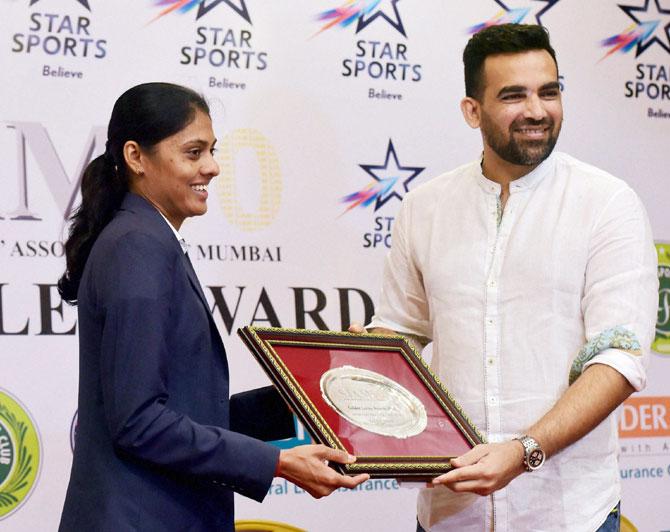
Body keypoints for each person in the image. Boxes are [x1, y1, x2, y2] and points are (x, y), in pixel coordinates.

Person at [356, 24, 658, 531]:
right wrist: (347, 373)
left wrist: (524, 452)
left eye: (550, 91)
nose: (537, 111)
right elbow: (399, 334)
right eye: (514, 96)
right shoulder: (424, 208)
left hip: (568, 513)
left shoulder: (607, 203)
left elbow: (618, 357)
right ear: (472, 110)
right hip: (451, 512)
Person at [57, 82, 368, 532]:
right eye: (193, 152)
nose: (214, 167)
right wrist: (277, 463)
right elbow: (139, 422)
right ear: (135, 157)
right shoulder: (137, 247)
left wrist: (322, 383)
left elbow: (195, 417)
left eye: (212, 150)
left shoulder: (148, 241)